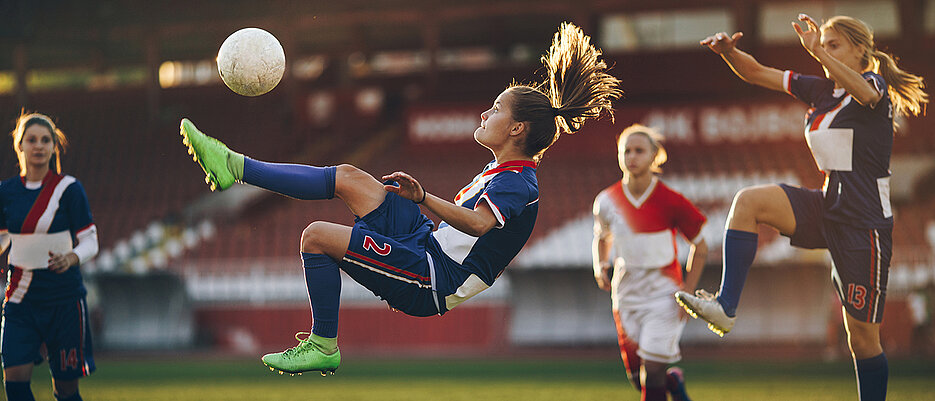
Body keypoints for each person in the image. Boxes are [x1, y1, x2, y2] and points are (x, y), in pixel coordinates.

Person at [179, 22, 622, 375]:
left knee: (315, 237)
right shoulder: (501, 172)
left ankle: (323, 344)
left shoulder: (520, 182)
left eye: (496, 110)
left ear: (517, 129)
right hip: (426, 242)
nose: (485, 113)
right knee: (352, 177)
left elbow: (480, 226)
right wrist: (422, 203)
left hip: (435, 279)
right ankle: (234, 166)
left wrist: (425, 197)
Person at [674, 14, 928, 401]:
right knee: (748, 201)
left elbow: (864, 92)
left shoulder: (872, 85)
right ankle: (725, 306)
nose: (823, 52)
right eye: (822, 45)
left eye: (833, 45)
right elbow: (757, 72)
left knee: (861, 339)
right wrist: (729, 53)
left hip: (865, 225)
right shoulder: (821, 91)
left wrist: (817, 54)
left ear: (861, 51)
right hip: (828, 206)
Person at [593, 124, 707, 401]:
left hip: (664, 297)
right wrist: (600, 264)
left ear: (655, 156)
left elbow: (701, 247)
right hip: (626, 296)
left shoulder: (673, 201)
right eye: (626, 151)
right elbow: (602, 236)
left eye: (639, 151)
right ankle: (674, 383)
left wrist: (688, 292)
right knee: (639, 379)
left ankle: (665, 379)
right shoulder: (606, 200)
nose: (632, 156)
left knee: (653, 372)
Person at [1, 113, 99, 401]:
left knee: (66, 392)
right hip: (20, 300)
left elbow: (90, 241)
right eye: (32, 140)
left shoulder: (69, 189)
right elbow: (3, 239)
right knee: (15, 387)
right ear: (19, 145)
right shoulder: (5, 192)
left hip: (64, 301)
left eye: (46, 140)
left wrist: (72, 258)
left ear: (54, 146)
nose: (39, 146)